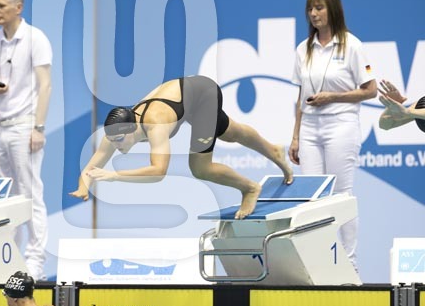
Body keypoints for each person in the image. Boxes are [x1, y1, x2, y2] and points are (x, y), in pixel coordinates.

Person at [69, 75, 293, 220]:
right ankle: (273, 150)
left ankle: (249, 188)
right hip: (186, 100)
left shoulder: (155, 124)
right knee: (230, 133)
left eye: (119, 140)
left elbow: (158, 172)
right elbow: (91, 167)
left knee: (200, 168)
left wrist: (114, 176)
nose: (116, 146)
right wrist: (83, 186)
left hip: (202, 94)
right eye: (113, 141)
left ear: (132, 129)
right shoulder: (116, 132)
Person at [288, 0, 377, 271]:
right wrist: (295, 137)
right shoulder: (303, 49)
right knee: (312, 198)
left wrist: (333, 97)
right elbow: (301, 96)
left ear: (333, 10)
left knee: (341, 195)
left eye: (319, 8)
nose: (313, 14)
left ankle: (350, 264)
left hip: (341, 125)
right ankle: (319, 263)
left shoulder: (352, 46)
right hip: (310, 129)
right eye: (310, 9)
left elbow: (371, 90)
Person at [0, 0, 52, 281]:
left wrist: (38, 127)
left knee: (30, 193)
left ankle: (35, 263)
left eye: (1, 6)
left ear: (18, 8)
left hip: (25, 124)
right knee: (4, 197)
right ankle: (9, 260)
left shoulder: (36, 38)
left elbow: (45, 85)